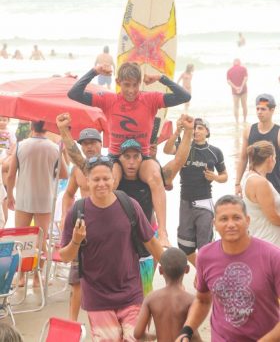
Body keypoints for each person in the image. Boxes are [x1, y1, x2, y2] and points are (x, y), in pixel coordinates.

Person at [56, 113, 193, 299]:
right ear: (118, 159)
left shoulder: (152, 177)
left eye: (135, 157)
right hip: (119, 243)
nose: (131, 161)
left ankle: (141, 320)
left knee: (144, 289)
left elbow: (178, 161)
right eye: (126, 156)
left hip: (146, 241)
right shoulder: (111, 181)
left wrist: (189, 132)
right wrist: (64, 131)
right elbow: (80, 161)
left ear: (141, 159)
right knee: (120, 291)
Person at [68, 61, 191, 247]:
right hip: (117, 156)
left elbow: (184, 96)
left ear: (140, 83)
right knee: (111, 180)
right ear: (118, 82)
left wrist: (161, 78)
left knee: (156, 177)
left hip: (141, 155)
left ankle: (163, 233)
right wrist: (94, 71)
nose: (131, 90)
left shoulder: (151, 99)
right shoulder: (108, 99)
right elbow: (74, 93)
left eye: (135, 85)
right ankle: (100, 225)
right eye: (127, 85)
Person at [59, 156, 163, 341]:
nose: (101, 184)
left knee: (134, 338)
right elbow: (65, 256)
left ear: (113, 180)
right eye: (96, 179)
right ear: (87, 181)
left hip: (131, 291)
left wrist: (172, 269)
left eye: (106, 179)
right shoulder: (77, 211)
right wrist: (76, 240)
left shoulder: (129, 205)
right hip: (97, 296)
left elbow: (151, 242)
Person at [176, 195, 280, 342]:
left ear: (247, 220)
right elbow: (202, 300)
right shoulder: (205, 256)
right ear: (214, 224)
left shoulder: (273, 256)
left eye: (236, 218)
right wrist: (186, 330)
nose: (230, 224)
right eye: (224, 219)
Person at [6, 121, 68, 286]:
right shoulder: (55, 148)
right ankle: (36, 277)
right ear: (46, 128)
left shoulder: (20, 146)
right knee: (41, 240)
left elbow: (11, 175)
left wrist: (10, 195)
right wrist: (48, 173)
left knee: (21, 240)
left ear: (32, 127)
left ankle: (20, 278)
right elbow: (64, 173)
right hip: (44, 199)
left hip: (24, 198)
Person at [164, 118, 228, 266]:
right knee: (185, 247)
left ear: (207, 131)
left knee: (205, 246)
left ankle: (206, 272)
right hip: (185, 201)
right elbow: (167, 150)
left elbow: (225, 176)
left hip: (204, 202)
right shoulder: (184, 147)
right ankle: (201, 269)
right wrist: (177, 131)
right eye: (194, 128)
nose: (196, 131)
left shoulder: (215, 152)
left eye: (200, 128)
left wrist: (215, 177)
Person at [60, 125, 102, 321]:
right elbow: (68, 194)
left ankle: (104, 318)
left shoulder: (109, 166)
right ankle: (72, 321)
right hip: (82, 227)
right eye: (85, 144)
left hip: (104, 228)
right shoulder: (77, 169)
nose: (89, 147)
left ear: (100, 144)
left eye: (92, 142)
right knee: (77, 278)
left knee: (105, 277)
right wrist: (64, 218)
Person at [134, 248, 202, 342]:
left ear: (161, 270)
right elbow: (194, 335)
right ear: (187, 269)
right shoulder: (191, 300)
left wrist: (153, 335)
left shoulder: (151, 298)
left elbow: (137, 334)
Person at [235, 93, 280, 196]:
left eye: (263, 109)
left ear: (272, 110)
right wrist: (237, 183)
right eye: (257, 109)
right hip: (253, 183)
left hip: (275, 185)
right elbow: (243, 159)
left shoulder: (278, 133)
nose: (259, 112)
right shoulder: (249, 131)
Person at [242, 140, 280, 246]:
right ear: (270, 158)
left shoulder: (249, 176)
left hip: (260, 237)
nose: (275, 161)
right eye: (275, 158)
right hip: (269, 241)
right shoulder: (260, 182)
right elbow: (273, 217)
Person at [227, 58, 248, 123]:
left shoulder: (229, 70)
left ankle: (237, 121)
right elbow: (246, 78)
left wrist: (235, 88)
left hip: (234, 91)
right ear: (240, 62)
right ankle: (244, 120)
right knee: (244, 105)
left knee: (236, 106)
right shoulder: (243, 68)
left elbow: (228, 81)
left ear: (233, 63)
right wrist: (241, 87)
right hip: (243, 90)